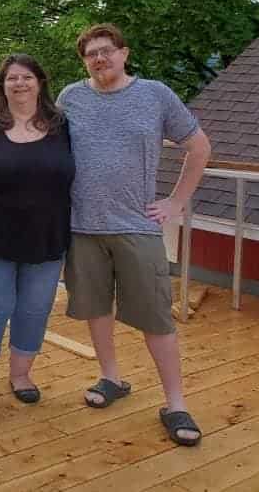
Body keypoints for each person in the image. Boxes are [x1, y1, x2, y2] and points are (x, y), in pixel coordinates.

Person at [58, 23, 211, 447]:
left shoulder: (155, 95)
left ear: (124, 53)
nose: (99, 58)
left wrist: (177, 201)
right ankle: (111, 378)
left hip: (137, 227)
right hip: (82, 227)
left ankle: (175, 403)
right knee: (96, 310)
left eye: (106, 50)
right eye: (91, 54)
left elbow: (200, 147)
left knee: (156, 318)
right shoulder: (70, 98)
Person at [0, 54, 74, 408]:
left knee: (34, 312)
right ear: (2, 86)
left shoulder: (62, 126)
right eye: (12, 78)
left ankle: (21, 376)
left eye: (27, 77)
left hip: (47, 240)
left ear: (40, 83)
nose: (20, 83)